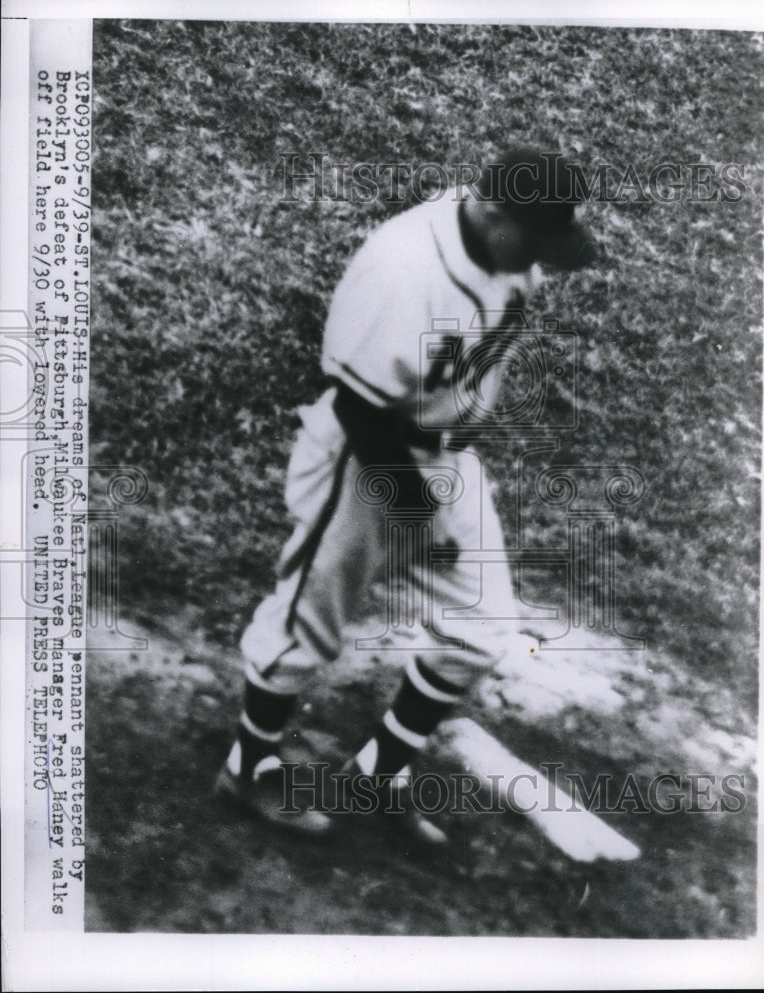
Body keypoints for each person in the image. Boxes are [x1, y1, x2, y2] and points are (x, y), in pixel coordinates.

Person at [216, 147, 598, 843]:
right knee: (308, 624)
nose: (541, 260)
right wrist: (418, 511)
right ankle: (248, 765)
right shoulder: (404, 267)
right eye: (537, 241)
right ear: (493, 212)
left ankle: (377, 773)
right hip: (366, 463)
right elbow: (363, 410)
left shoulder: (508, 244)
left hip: (445, 454)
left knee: (481, 626)